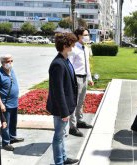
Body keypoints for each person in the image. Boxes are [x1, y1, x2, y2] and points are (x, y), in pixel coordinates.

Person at [47, 32, 79, 165]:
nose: (73, 48)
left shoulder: (65, 60)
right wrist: (64, 112)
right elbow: (58, 91)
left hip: (66, 106)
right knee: (58, 137)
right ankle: (59, 162)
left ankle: (64, 158)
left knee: (62, 136)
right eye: (72, 45)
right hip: (61, 109)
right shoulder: (58, 64)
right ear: (65, 46)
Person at [0, 54, 24, 151]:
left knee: (13, 122)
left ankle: (12, 137)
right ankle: (6, 142)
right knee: (5, 123)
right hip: (5, 103)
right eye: (7, 61)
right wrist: (1, 103)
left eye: (11, 61)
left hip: (14, 102)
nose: (10, 63)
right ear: (2, 63)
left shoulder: (12, 71)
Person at [68, 27, 94, 137]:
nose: (87, 37)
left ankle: (79, 121)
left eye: (88, 34)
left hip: (84, 78)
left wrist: (90, 78)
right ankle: (72, 127)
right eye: (85, 34)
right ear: (79, 36)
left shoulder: (86, 48)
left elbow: (87, 65)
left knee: (81, 101)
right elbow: (69, 65)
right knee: (74, 102)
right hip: (76, 78)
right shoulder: (74, 49)